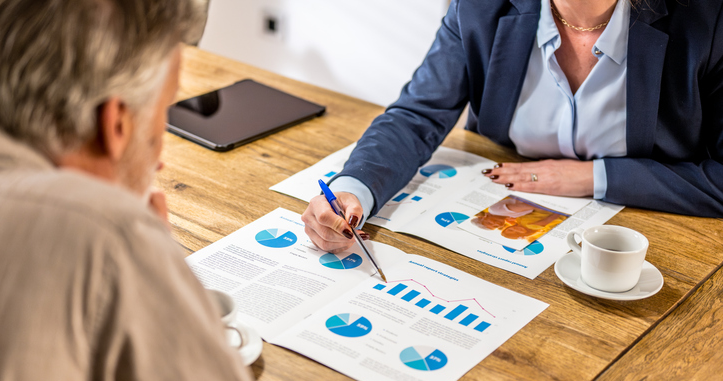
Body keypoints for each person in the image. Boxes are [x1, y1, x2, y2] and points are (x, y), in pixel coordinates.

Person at [0, 0, 277, 381]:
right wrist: (153, 269)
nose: (160, 159)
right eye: (160, 118)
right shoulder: (108, 234)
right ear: (116, 125)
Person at [302, 0, 723, 253]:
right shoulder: (482, 7)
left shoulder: (709, 20)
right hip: (494, 233)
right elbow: (418, 115)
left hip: (653, 241)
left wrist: (593, 177)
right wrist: (353, 189)